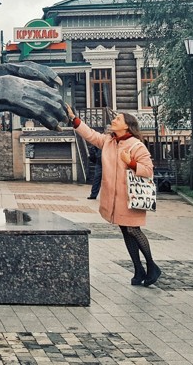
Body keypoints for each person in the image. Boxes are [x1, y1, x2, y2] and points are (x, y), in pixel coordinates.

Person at [67, 104, 161, 286]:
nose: (113, 120)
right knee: (126, 231)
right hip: (116, 199)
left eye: (118, 119)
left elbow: (149, 170)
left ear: (126, 125)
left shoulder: (136, 145)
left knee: (134, 230)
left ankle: (151, 266)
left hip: (131, 197)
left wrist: (131, 163)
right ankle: (139, 269)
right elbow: (90, 135)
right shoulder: (109, 141)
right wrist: (74, 118)